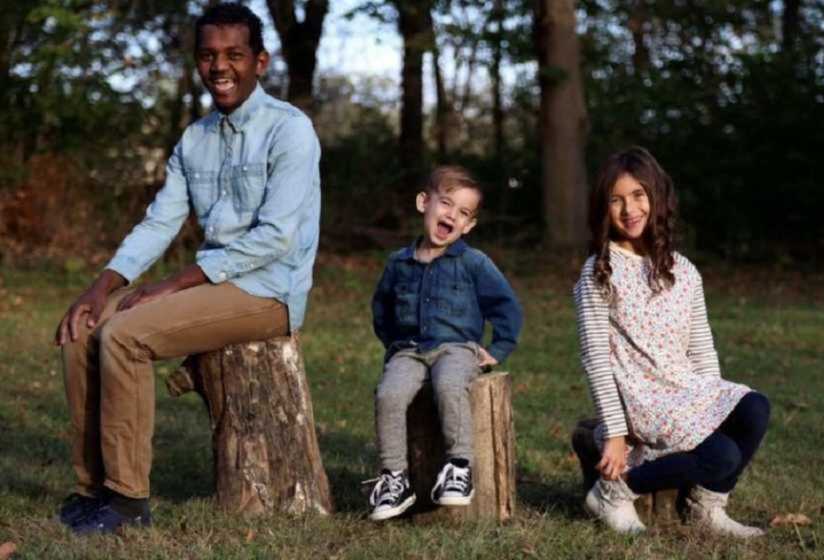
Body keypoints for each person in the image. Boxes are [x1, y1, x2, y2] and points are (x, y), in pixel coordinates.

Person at [53, 3, 321, 535]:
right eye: (208, 55)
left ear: (260, 62)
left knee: (126, 335)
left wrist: (171, 285)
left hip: (269, 291)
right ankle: (95, 489)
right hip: (214, 283)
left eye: (234, 55)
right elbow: (159, 222)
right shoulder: (194, 139)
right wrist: (101, 285)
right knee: (82, 331)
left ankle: (129, 501)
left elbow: (275, 238)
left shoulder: (290, 131)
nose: (220, 66)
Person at [574, 146, 769, 537]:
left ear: (656, 197)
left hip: (683, 391)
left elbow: (701, 348)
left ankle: (706, 507)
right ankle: (615, 490)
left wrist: (716, 408)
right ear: (603, 208)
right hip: (641, 399)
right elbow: (595, 357)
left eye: (638, 195)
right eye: (616, 200)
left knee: (754, 408)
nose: (629, 209)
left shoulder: (685, 270)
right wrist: (614, 432)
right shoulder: (599, 272)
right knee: (723, 455)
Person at [366, 166, 523, 521]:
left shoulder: (473, 262)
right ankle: (394, 478)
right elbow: (382, 308)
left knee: (450, 385)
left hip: (456, 348)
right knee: (389, 394)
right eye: (447, 203)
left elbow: (506, 307)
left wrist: (496, 350)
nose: (452, 214)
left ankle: (459, 467)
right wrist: (394, 346)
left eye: (463, 212)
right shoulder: (399, 263)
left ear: (469, 226)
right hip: (409, 349)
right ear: (424, 202)